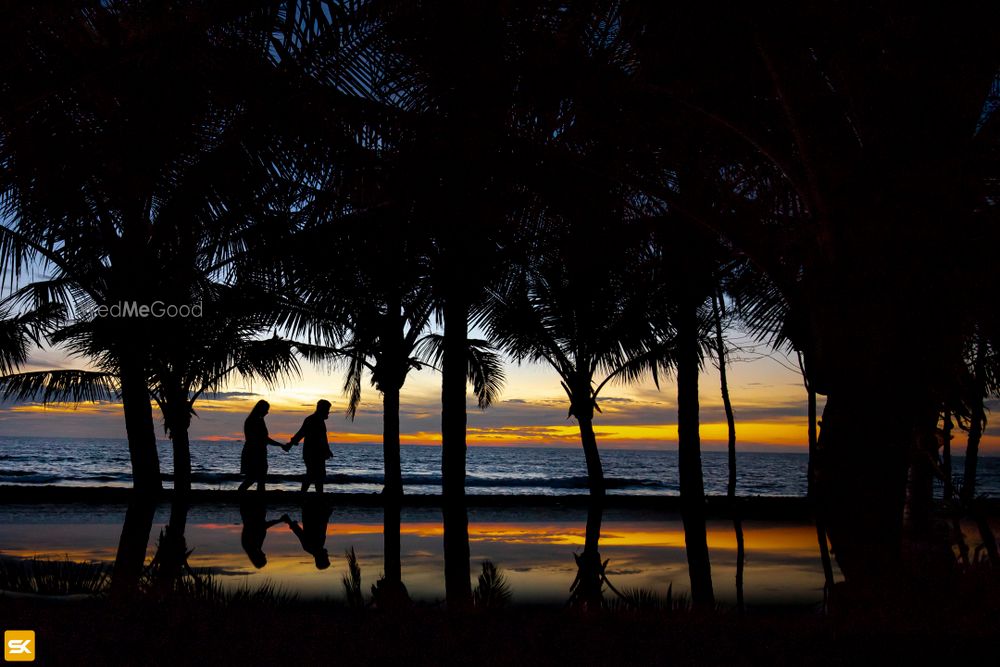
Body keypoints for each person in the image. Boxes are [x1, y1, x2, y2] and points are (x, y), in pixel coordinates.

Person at [237, 399, 288, 493]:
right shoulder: (255, 421)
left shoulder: (256, 420)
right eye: (266, 410)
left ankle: (248, 499)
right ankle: (241, 497)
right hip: (254, 453)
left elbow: (264, 439)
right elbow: (264, 439)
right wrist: (280, 445)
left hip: (257, 452)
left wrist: (280, 445)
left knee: (257, 479)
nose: (267, 412)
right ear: (261, 409)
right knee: (254, 479)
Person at [287, 399, 333, 494]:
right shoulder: (312, 420)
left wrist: (327, 450)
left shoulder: (317, 420)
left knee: (315, 475)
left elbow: (323, 438)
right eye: (327, 410)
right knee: (314, 475)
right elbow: (301, 433)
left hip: (316, 454)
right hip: (312, 454)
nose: (328, 412)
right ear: (322, 409)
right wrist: (291, 444)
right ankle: (308, 494)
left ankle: (313, 494)